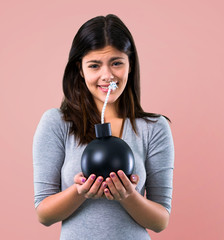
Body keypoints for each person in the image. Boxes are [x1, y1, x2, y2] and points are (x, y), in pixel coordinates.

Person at [33, 14, 174, 240]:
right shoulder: (57, 123)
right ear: (80, 69)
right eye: (94, 65)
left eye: (117, 63)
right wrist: (80, 192)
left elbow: (160, 221)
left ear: (130, 65)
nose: (107, 76)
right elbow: (44, 213)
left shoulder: (155, 128)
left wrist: (128, 196)